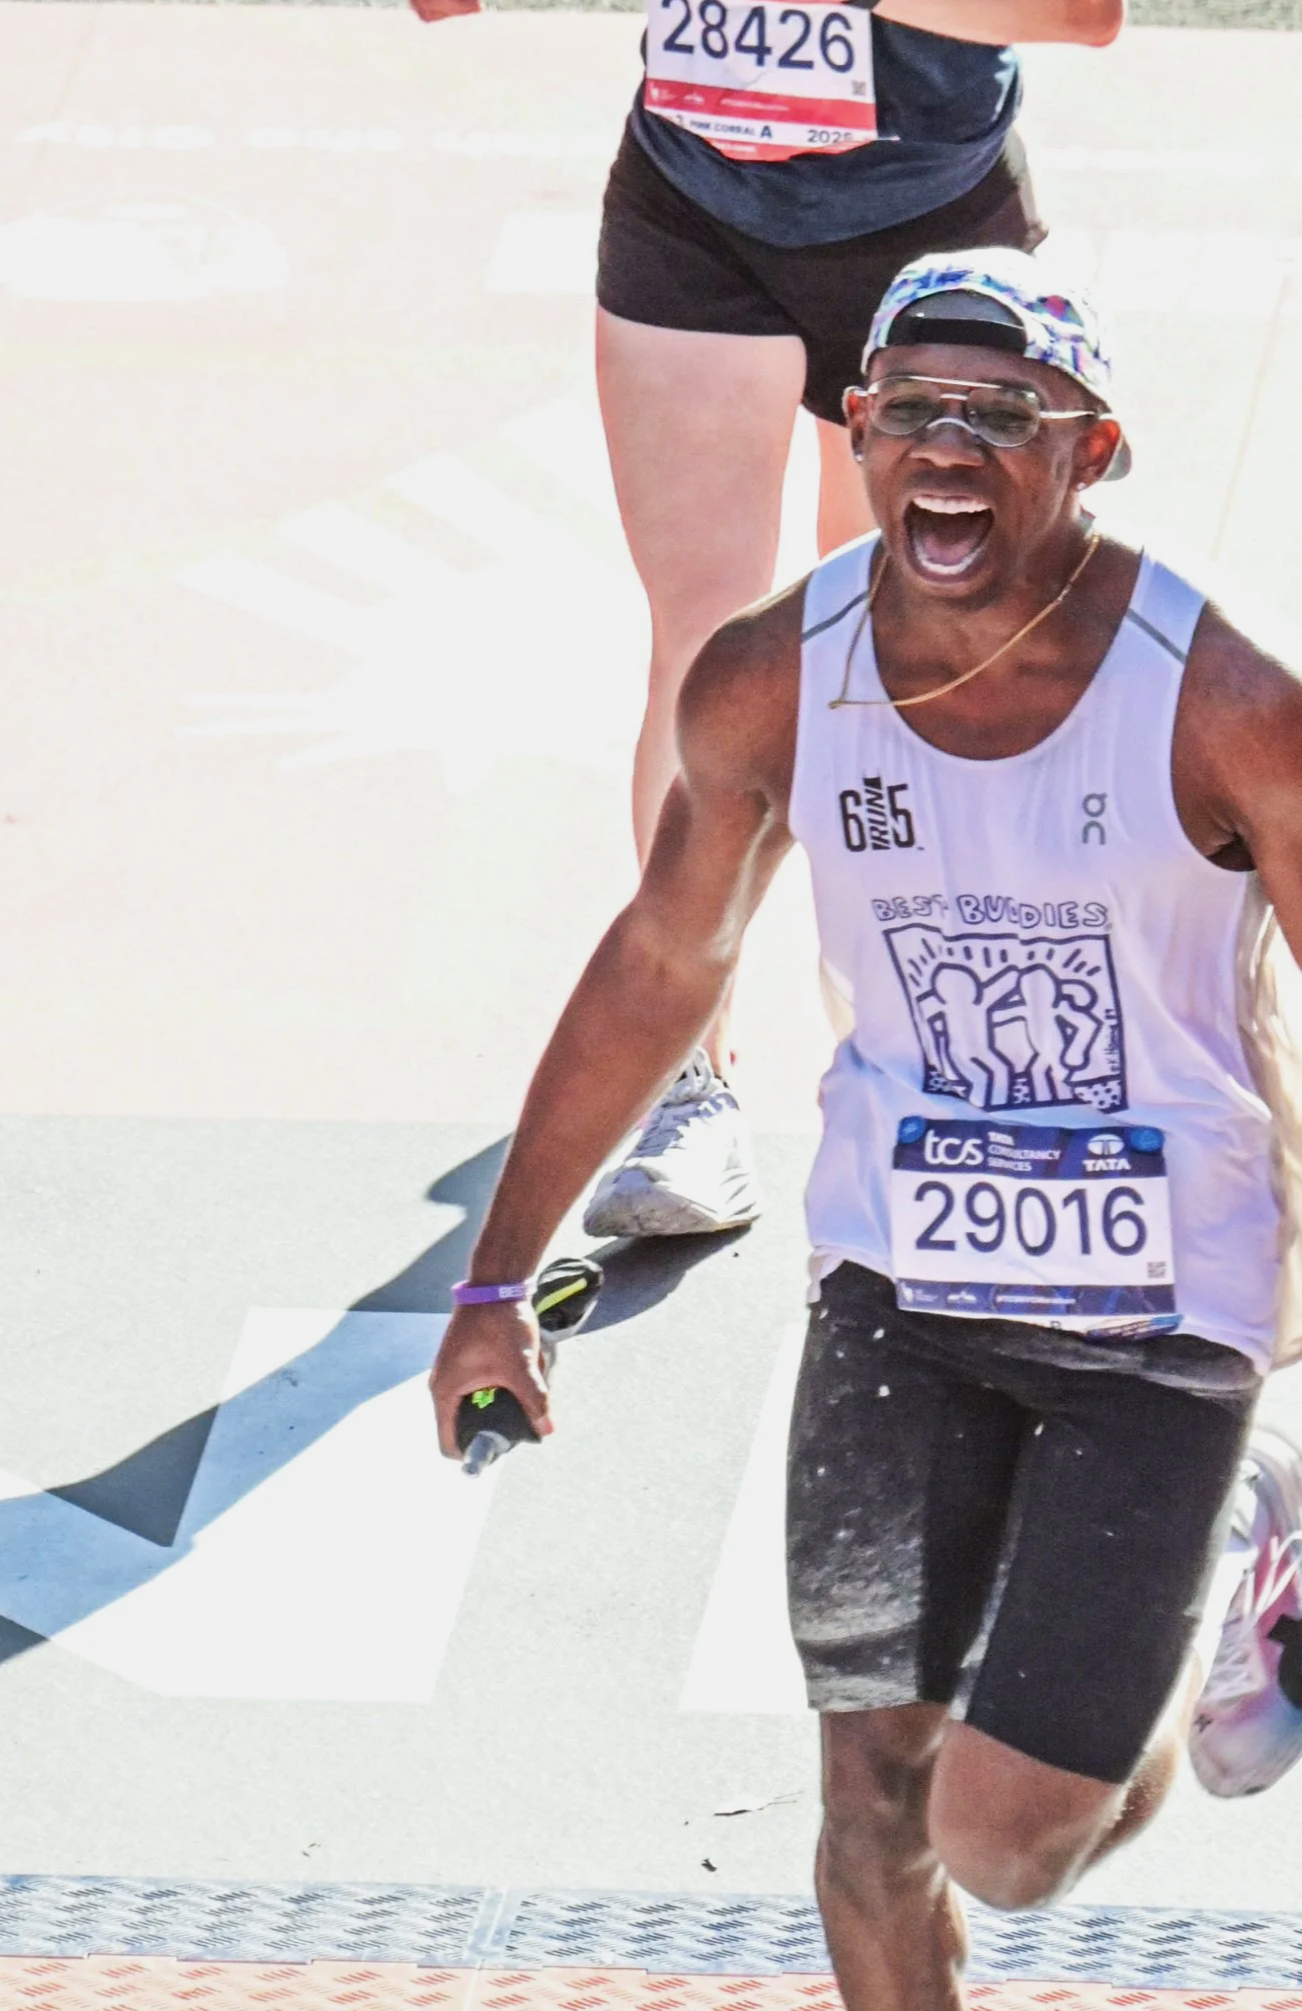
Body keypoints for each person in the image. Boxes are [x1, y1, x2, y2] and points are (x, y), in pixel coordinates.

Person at [429, 251, 1302, 2011]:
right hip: (901, 1285)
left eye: (996, 414)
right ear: (853, 446)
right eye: (904, 409)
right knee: (864, 1792)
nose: (942, 444)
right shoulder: (772, 679)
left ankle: (1236, 1534)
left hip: (1165, 1294)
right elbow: (664, 963)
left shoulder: (1240, 703)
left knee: (1005, 1849)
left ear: (1088, 452)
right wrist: (497, 1273)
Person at [409, 0, 1121, 1242]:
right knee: (706, 649)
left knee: (913, 646)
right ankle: (687, 1089)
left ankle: (930, 1067)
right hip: (692, 207)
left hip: (928, 225)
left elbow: (1078, 15)